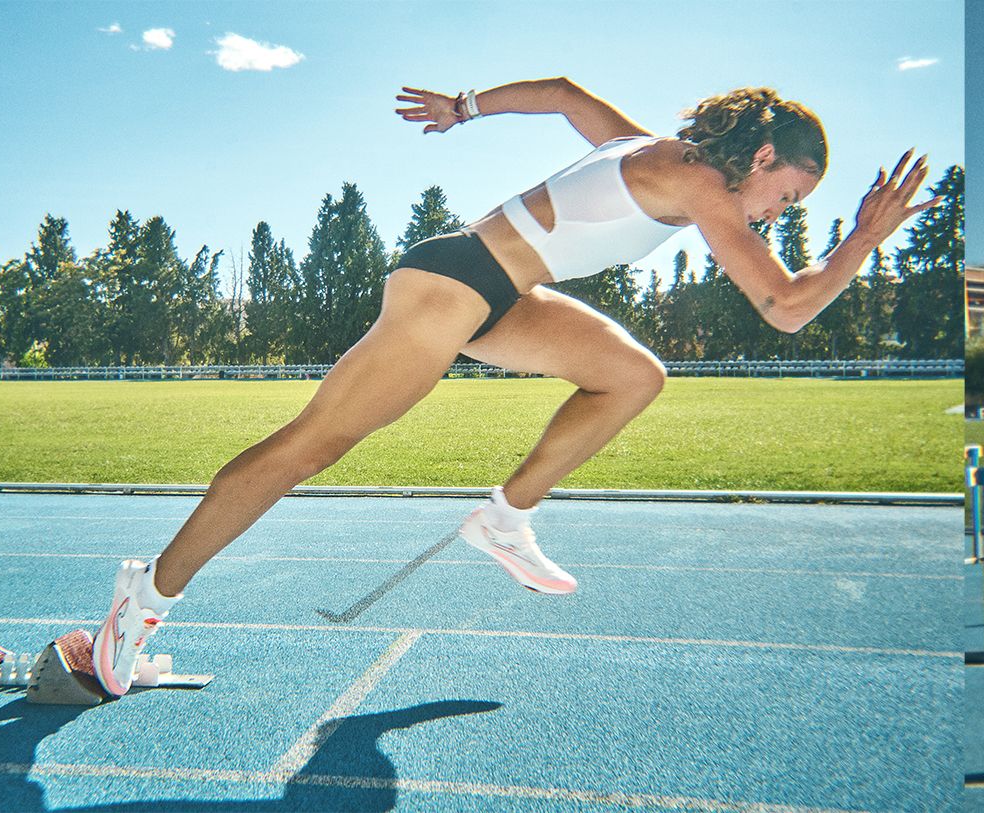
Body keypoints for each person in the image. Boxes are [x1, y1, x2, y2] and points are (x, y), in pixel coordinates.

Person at [91, 79, 937, 696]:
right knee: (307, 447)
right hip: (451, 285)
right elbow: (786, 306)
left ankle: (505, 517)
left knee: (633, 375)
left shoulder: (647, 148)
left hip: (498, 293)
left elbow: (567, 95)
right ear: (759, 157)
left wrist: (464, 108)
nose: (774, 216)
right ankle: (149, 593)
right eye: (784, 196)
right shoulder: (698, 182)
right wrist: (862, 238)